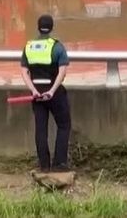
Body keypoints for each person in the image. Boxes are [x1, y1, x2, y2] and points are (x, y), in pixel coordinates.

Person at [20, 14, 72, 172]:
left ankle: (44, 165)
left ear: (38, 27)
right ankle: (59, 164)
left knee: (40, 129)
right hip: (54, 93)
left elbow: (24, 72)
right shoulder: (57, 47)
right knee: (64, 125)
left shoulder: (28, 47)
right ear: (51, 27)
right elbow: (62, 73)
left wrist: (34, 90)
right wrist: (51, 91)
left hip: (36, 94)